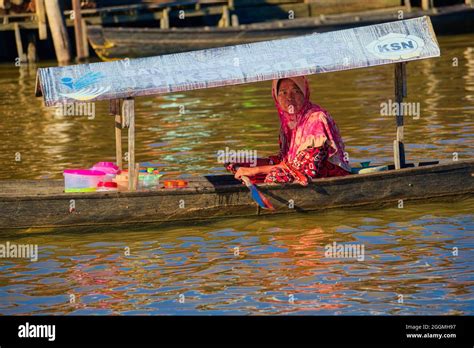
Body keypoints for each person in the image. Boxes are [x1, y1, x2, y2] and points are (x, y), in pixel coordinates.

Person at [227, 76, 351, 185]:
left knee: (276, 176)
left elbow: (304, 168)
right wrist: (250, 164)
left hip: (324, 175)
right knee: (238, 165)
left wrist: (255, 170)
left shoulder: (317, 119)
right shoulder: (288, 124)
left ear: (304, 93)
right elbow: (284, 161)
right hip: (297, 171)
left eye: (296, 91)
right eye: (283, 92)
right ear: (276, 96)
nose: (289, 98)